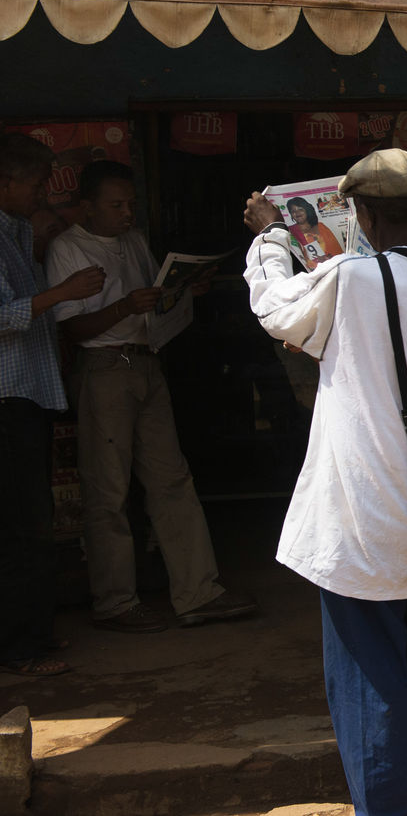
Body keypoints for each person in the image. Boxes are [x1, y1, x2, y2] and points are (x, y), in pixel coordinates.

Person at [243, 148, 407, 815]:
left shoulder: (347, 280)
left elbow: (274, 310)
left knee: (371, 690)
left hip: (361, 524)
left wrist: (271, 237)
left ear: (360, 214)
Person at [46, 160, 258, 633]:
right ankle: (116, 602)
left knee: (172, 479)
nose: (126, 214)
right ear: (86, 207)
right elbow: (73, 327)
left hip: (145, 363)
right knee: (109, 490)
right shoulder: (67, 248)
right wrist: (125, 306)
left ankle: (198, 592)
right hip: (103, 369)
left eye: (131, 205)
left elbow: (154, 301)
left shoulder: (134, 241)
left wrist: (184, 292)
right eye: (115, 205)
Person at [0, 133, 105, 677]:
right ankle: (19, 649)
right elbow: (3, 315)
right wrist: (62, 292)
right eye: (37, 183)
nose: (44, 193)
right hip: (6, 398)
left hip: (26, 395)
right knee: (20, 525)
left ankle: (32, 634)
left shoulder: (17, 231)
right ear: (6, 183)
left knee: (28, 521)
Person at [286, 197, 342, 268]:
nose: (297, 213)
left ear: (307, 210)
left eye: (300, 209)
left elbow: (337, 251)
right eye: (293, 211)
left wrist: (327, 259)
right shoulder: (289, 231)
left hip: (333, 268)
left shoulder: (321, 227)